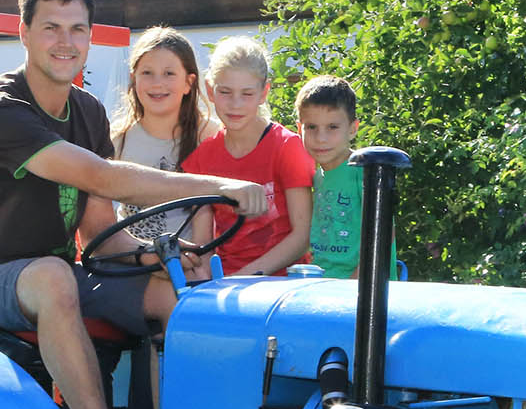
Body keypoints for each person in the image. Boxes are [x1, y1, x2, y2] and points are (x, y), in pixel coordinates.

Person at [0, 0, 265, 409]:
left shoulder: (85, 111)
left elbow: (97, 229)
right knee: (53, 275)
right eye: (52, 28)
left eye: (77, 30)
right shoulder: (0, 111)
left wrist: (150, 257)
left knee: (176, 298)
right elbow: (107, 179)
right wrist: (219, 185)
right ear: (24, 32)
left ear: (89, 36)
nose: (66, 43)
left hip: (57, 273)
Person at [181, 35, 314, 278]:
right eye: (225, 92)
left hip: (283, 284)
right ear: (210, 90)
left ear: (264, 92)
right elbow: (204, 243)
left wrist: (245, 277)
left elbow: (302, 235)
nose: (235, 104)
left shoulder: (287, 146)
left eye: (247, 94)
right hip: (227, 283)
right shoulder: (202, 158)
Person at [109, 27, 220, 218]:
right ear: (133, 79)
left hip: (197, 248)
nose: (157, 83)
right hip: (131, 247)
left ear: (189, 82)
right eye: (147, 73)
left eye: (169, 73)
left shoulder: (212, 135)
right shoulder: (117, 139)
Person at [293, 74, 393, 279]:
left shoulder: (363, 171)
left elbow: (384, 234)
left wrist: (358, 283)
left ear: (352, 128)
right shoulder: (317, 175)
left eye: (332, 127)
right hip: (323, 281)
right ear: (299, 129)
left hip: (363, 288)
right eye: (312, 127)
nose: (321, 138)